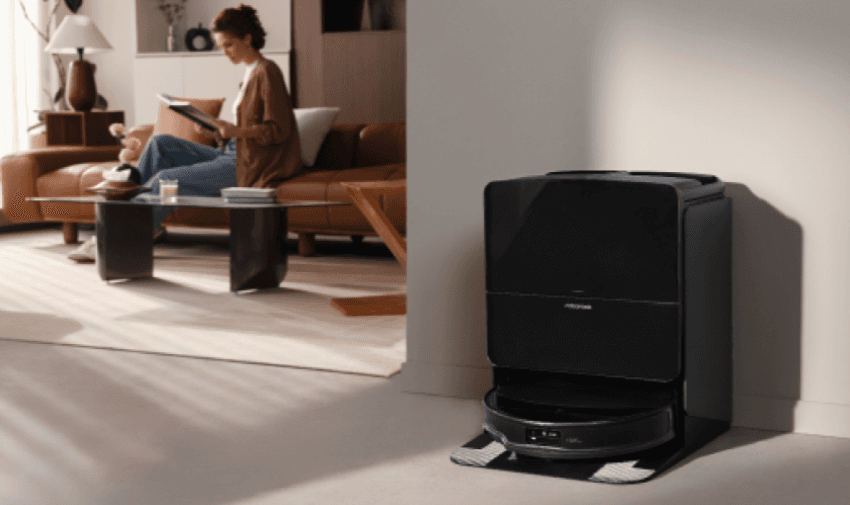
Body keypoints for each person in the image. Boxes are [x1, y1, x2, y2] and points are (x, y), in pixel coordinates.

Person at [68, 3, 301, 262]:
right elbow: (244, 131)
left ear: (247, 39)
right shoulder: (248, 73)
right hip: (233, 153)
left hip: (249, 164)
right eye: (221, 46)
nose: (225, 52)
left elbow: (278, 130)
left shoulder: (268, 72)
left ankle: (113, 239)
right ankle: (143, 224)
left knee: (165, 179)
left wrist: (236, 130)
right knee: (160, 144)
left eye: (229, 45)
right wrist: (216, 130)